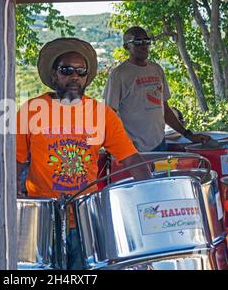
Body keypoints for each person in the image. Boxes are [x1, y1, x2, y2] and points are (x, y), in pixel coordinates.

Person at [16, 37, 150, 270]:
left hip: (85, 219)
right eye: (67, 70)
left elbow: (131, 159)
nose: (74, 77)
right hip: (43, 219)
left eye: (81, 71)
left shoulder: (102, 114)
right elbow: (13, 163)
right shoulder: (31, 110)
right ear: (54, 75)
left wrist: (151, 194)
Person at [104, 26, 211, 152]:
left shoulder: (157, 70)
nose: (144, 45)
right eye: (138, 42)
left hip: (160, 144)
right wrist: (123, 143)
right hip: (133, 149)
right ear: (126, 47)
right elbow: (109, 114)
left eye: (147, 41)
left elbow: (164, 109)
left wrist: (188, 134)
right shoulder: (119, 74)